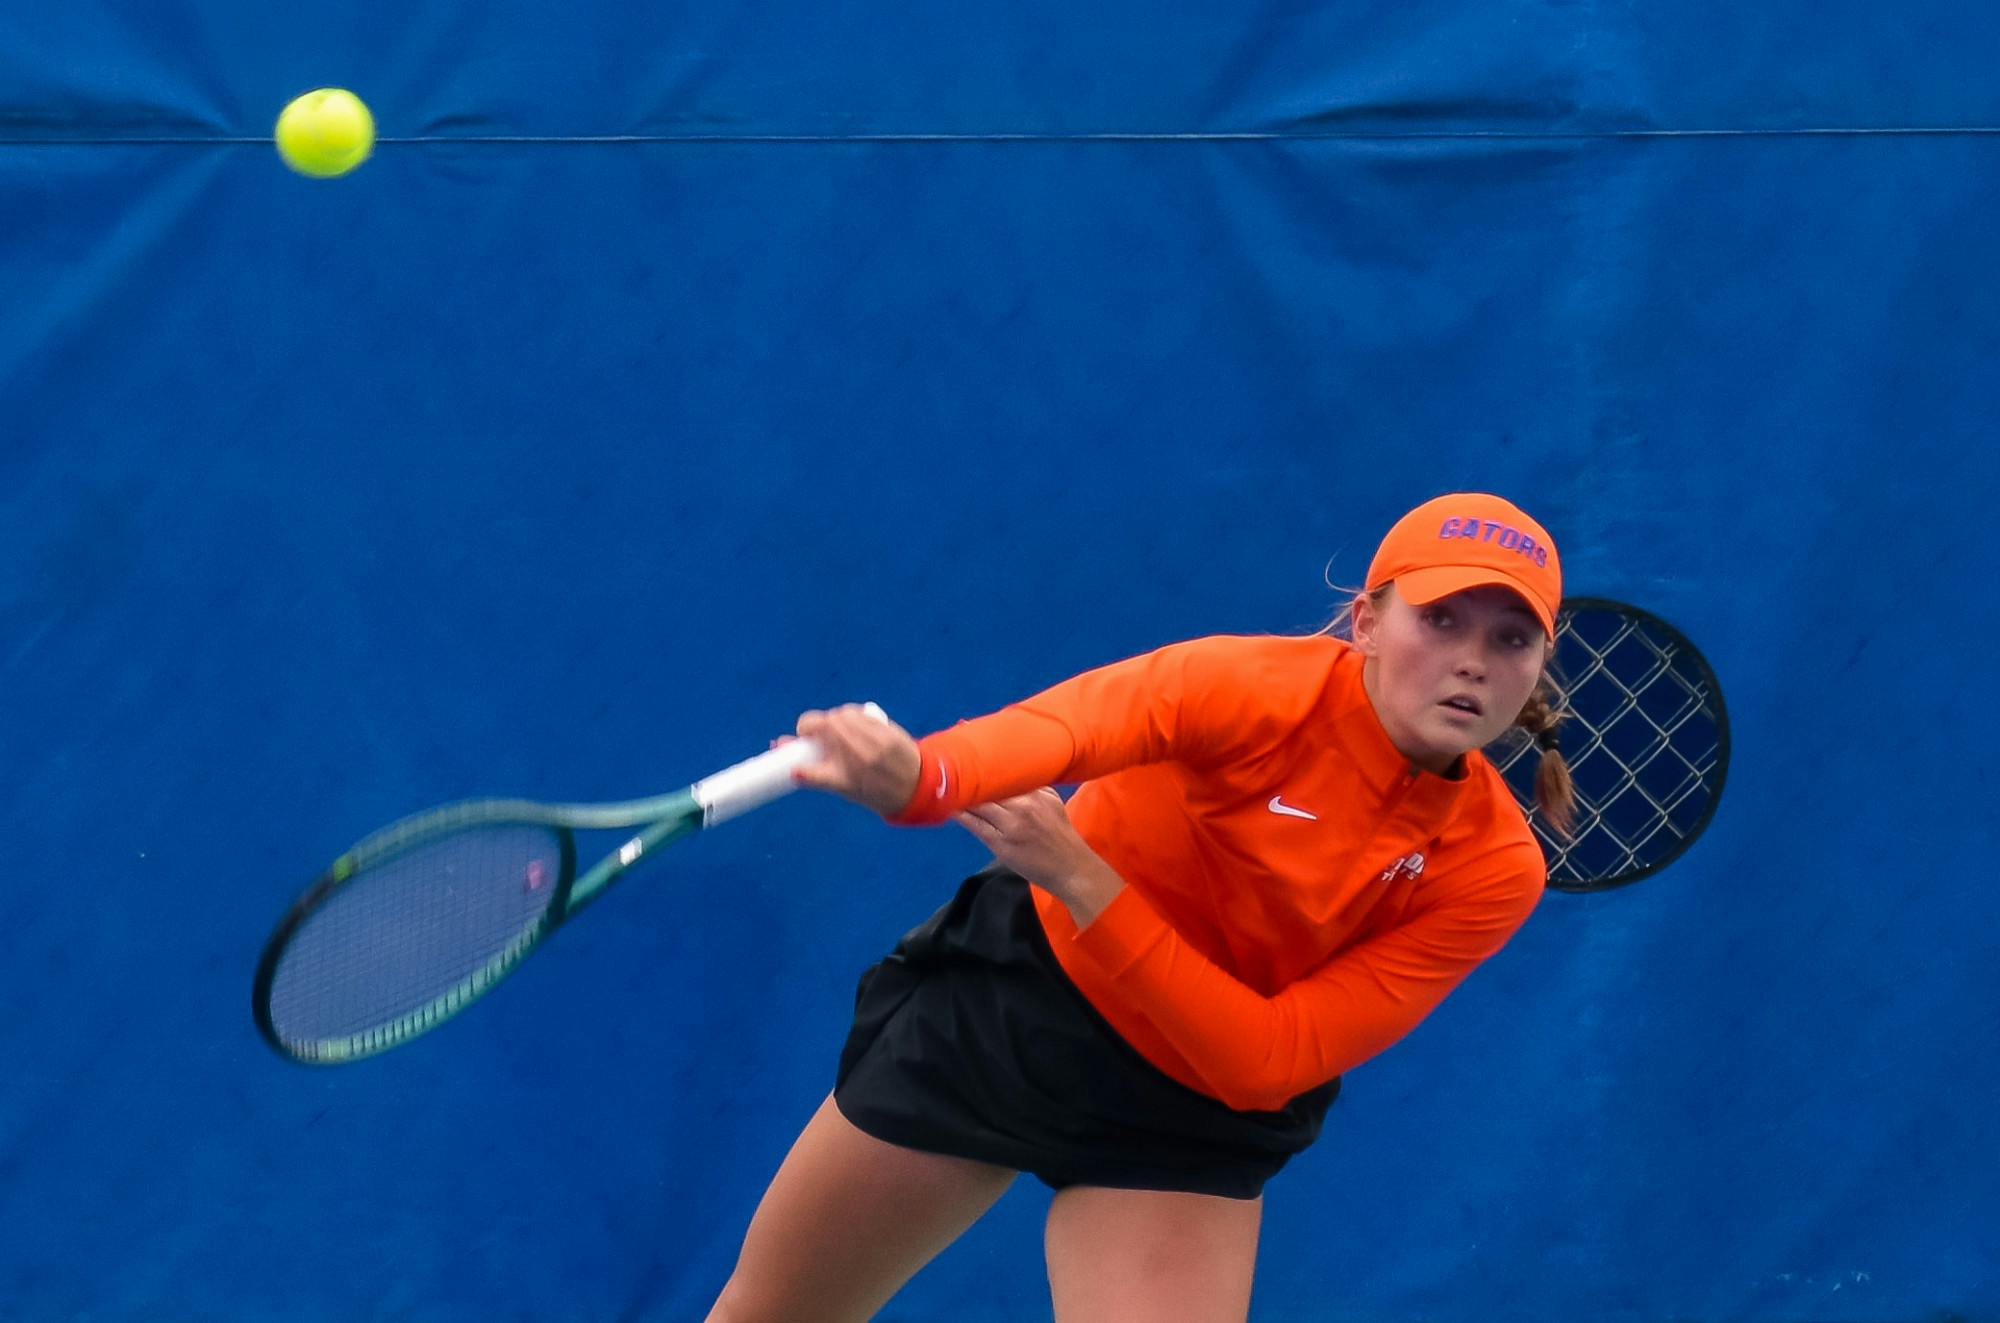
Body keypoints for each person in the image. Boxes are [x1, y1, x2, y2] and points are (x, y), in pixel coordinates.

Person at [705, 492, 1575, 1323]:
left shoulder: (1493, 866)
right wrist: (920, 778)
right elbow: (1069, 728)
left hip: (1193, 1113)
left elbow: (1266, 1062)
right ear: (1368, 624)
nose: (1472, 661)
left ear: (1538, 663)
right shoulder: (1249, 687)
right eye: (1441, 619)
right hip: (1019, 1005)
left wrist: (1084, 879)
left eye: (1510, 639)